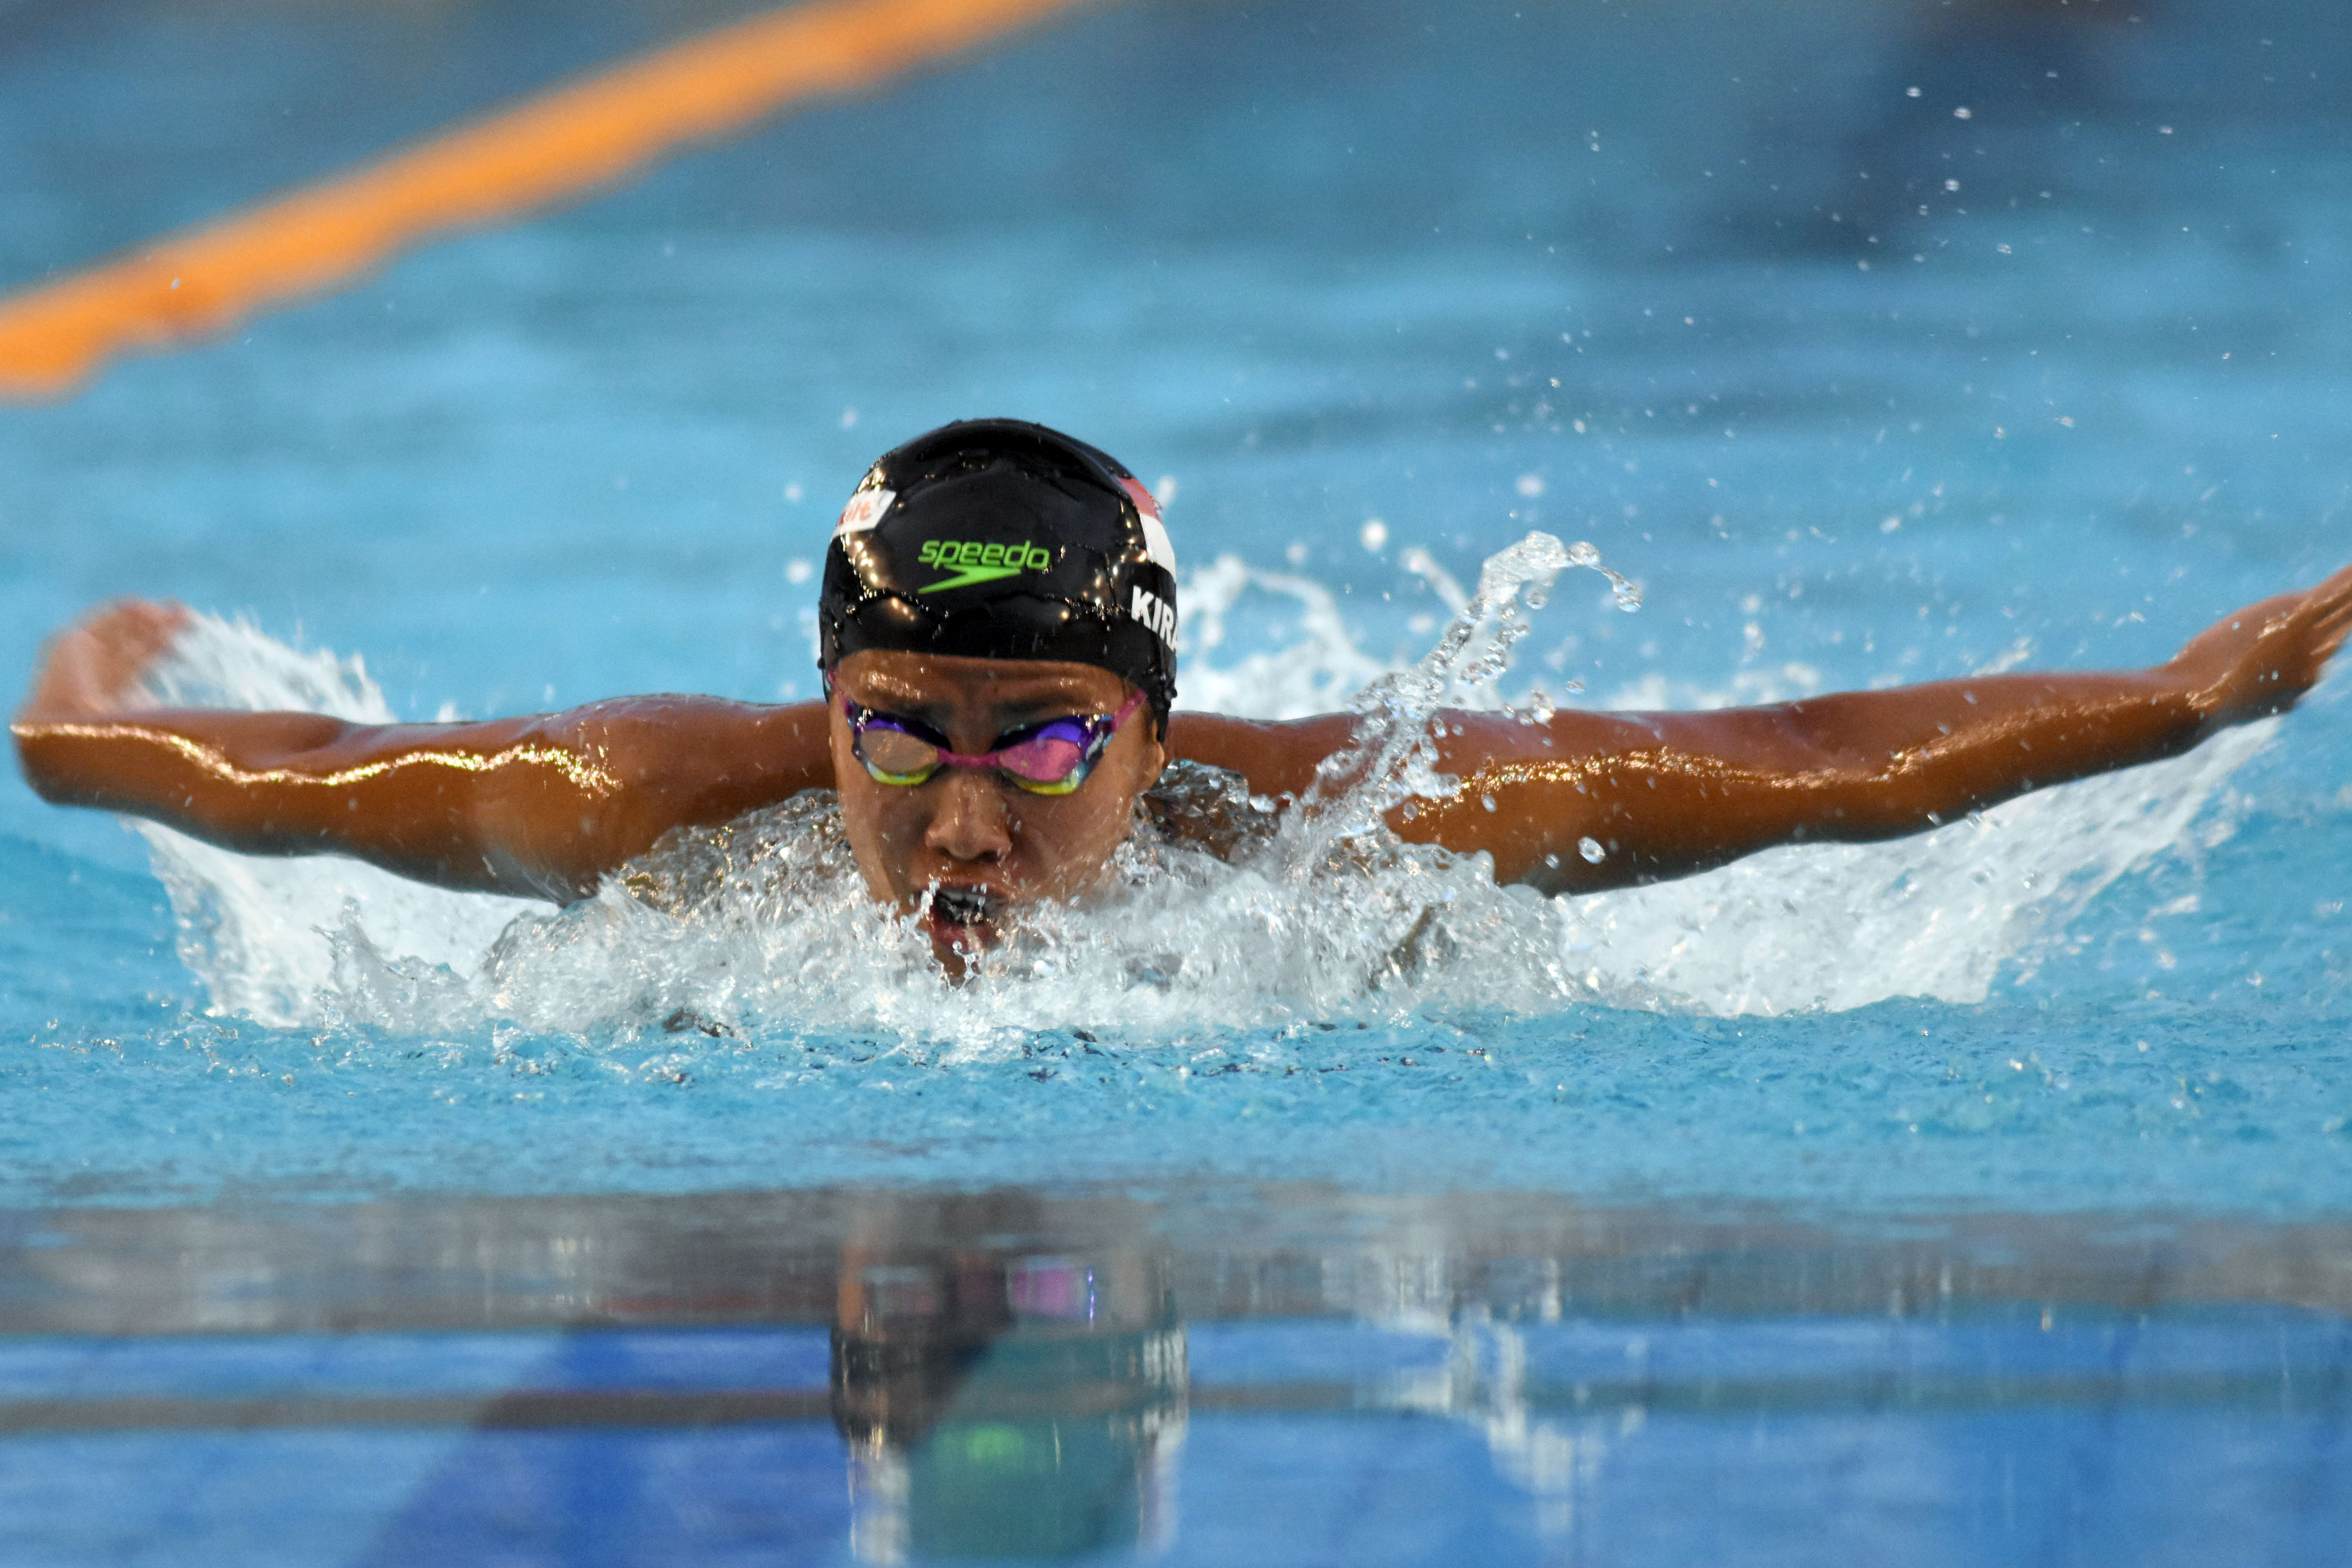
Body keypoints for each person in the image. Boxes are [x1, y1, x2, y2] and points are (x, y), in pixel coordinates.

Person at [14, 418, 2351, 975]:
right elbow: (237, 774)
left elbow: (1804, 771)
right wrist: (87, 681)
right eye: (896, 730)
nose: (958, 833)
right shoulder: (616, 810)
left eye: (1042, 742)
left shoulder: (1366, 822)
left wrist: (2183, 695)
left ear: (1150, 724)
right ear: (817, 703)